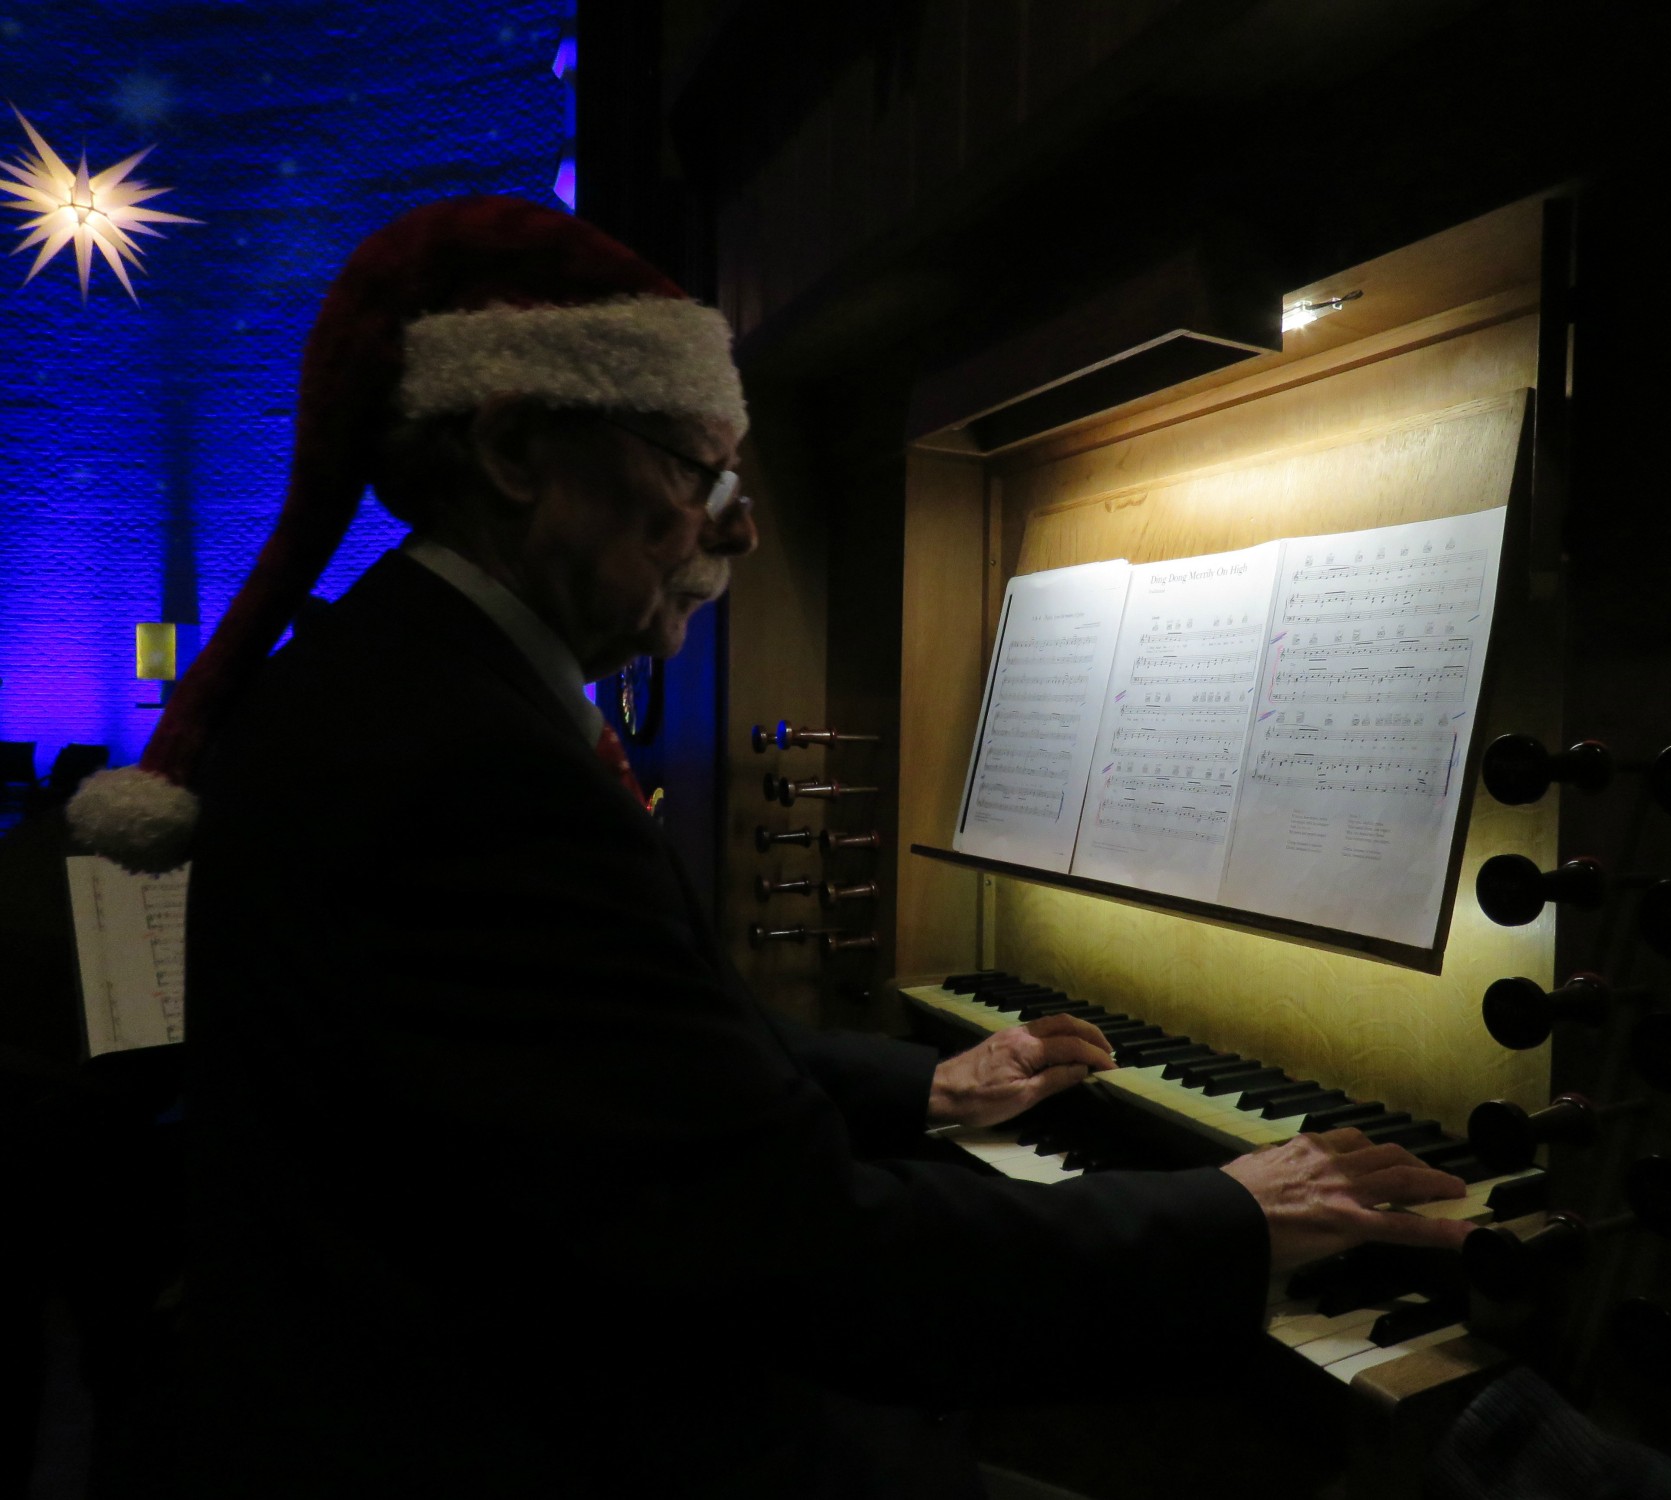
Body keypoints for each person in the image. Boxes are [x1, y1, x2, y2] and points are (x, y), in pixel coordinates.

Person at [68, 197, 1473, 1499]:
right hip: (508, 1429)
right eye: (697, 475)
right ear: (511, 455)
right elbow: (786, 1243)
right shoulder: (468, 751)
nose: (726, 537)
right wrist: (1227, 1215)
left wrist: (931, 1082)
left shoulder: (410, 676)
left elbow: (636, 1057)